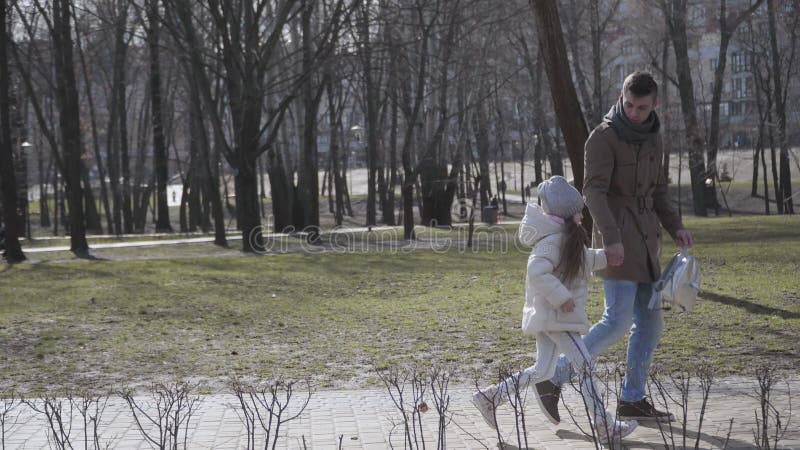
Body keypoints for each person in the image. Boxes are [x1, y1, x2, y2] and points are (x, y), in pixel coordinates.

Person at [534, 71, 694, 424]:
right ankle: (553, 377)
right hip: (617, 240)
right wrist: (611, 238)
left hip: (648, 241)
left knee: (651, 325)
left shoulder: (653, 136)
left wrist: (676, 226)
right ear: (621, 98)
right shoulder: (602, 138)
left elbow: (659, 189)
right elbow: (593, 192)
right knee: (617, 320)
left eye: (642, 107)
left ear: (655, 105)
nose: (634, 113)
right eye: (629, 105)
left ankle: (632, 399)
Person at [472, 176, 638, 444]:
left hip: (553, 317)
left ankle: (490, 397)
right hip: (557, 317)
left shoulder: (563, 237)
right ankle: (604, 425)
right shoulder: (552, 240)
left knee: (544, 370)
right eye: (578, 212)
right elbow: (537, 271)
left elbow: (582, 260)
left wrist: (607, 256)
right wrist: (561, 297)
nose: (581, 217)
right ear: (566, 213)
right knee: (584, 364)